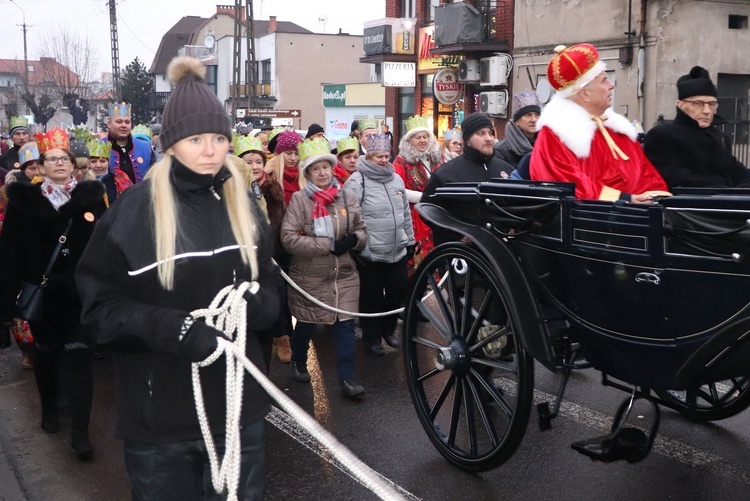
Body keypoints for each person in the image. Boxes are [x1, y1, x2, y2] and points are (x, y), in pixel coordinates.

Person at [75, 56, 282, 500]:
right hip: (160, 423)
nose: (210, 150)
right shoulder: (132, 214)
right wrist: (172, 327)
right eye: (195, 139)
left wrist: (262, 306)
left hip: (238, 414)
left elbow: (270, 282)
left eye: (219, 138)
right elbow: (99, 311)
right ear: (170, 144)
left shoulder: (244, 209)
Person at [0, 127, 106, 460]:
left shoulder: (91, 197)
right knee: (46, 355)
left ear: (74, 164)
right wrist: (7, 301)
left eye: (64, 158)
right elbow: (10, 252)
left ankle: (80, 431)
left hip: (80, 294)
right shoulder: (24, 202)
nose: (59, 163)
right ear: (40, 165)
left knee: (79, 358)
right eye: (51, 159)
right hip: (42, 294)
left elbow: (105, 248)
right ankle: (48, 407)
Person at [281, 137, 367, 397]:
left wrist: (355, 240)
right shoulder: (299, 199)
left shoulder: (346, 195)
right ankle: (298, 360)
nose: (322, 173)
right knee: (307, 324)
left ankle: (347, 378)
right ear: (307, 173)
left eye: (326, 168)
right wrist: (327, 245)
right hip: (310, 275)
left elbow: (361, 229)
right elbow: (288, 239)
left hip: (344, 273)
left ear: (333, 169)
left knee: (345, 325)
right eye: (315, 169)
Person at [530, 44, 668, 202]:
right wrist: (625, 199)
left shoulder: (615, 129)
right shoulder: (555, 135)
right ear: (585, 94)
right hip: (594, 222)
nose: (611, 85)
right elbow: (566, 186)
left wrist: (653, 197)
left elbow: (645, 173)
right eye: (604, 81)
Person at [344, 134, 414, 356]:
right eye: (378, 157)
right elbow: (349, 216)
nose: (384, 160)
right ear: (369, 157)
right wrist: (358, 244)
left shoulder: (397, 180)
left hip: (397, 248)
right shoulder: (357, 181)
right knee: (371, 296)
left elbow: (405, 213)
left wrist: (410, 240)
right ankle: (371, 336)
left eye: (386, 156)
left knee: (397, 290)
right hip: (370, 251)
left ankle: (388, 328)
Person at [644, 66, 750, 188]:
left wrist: (744, 189)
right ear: (680, 104)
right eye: (698, 104)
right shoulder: (662, 135)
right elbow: (676, 177)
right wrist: (728, 192)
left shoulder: (720, 136)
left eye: (712, 104)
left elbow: (736, 169)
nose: (707, 111)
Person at [234, 134, 290, 365]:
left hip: (272, 255)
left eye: (258, 161)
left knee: (277, 299)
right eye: (248, 163)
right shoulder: (231, 191)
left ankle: (282, 337)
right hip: (243, 261)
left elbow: (280, 220)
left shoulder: (272, 188)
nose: (254, 167)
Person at [422, 113, 516, 245]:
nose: (488, 138)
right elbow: (428, 209)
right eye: (480, 133)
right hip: (463, 252)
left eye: (490, 133)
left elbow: (515, 205)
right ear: (467, 140)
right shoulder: (446, 174)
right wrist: (457, 234)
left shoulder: (506, 169)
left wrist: (513, 227)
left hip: (500, 250)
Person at [0, 141, 41, 370]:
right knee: (23, 305)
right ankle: (27, 350)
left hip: (45, 259)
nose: (35, 171)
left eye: (38, 166)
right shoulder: (13, 193)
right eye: (30, 168)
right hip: (22, 258)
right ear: (22, 171)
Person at [393, 115, 442, 274]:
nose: (422, 140)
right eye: (417, 137)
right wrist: (423, 197)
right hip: (414, 215)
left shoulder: (436, 159)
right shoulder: (401, 161)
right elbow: (397, 189)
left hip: (436, 214)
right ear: (409, 141)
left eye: (425, 136)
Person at [106, 102, 154, 184]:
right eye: (119, 122)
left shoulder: (145, 147)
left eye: (127, 122)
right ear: (109, 123)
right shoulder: (98, 145)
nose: (124, 125)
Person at [494, 91, 541, 170]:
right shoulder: (501, 151)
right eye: (528, 115)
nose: (534, 119)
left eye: (537, 115)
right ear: (517, 121)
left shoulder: (545, 146)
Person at [87, 139, 133, 204]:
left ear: (108, 162)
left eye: (102, 161)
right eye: (93, 161)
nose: (98, 165)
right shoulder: (81, 179)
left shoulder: (120, 176)